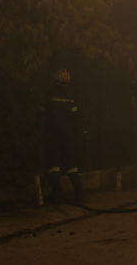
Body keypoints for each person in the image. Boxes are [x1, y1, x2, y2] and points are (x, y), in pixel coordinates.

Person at [43, 68, 84, 205]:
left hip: (53, 134)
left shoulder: (49, 95)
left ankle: (56, 195)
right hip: (68, 136)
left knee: (53, 165)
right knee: (71, 165)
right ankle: (79, 194)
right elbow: (76, 117)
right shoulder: (70, 97)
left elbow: (41, 113)